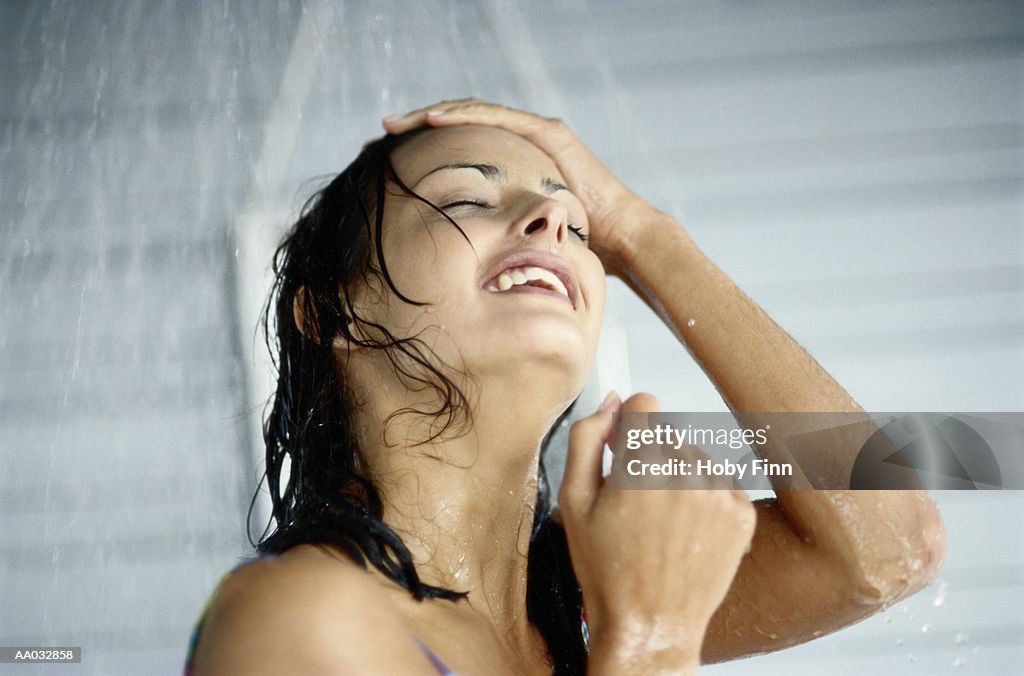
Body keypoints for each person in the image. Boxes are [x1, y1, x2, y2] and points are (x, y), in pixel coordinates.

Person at [185, 99, 946, 674]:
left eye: (577, 227)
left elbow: (888, 550)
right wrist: (650, 643)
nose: (553, 215)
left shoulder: (582, 601)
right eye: (465, 199)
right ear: (331, 311)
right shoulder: (299, 617)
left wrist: (643, 236)